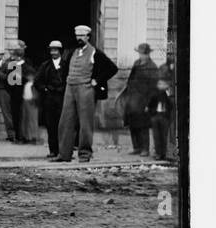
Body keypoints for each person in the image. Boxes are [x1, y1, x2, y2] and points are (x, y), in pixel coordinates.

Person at [56, 24, 118, 163]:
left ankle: (84, 154)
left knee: (85, 123)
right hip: (70, 88)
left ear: (88, 37)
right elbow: (64, 68)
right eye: (77, 35)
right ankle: (64, 154)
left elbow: (112, 68)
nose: (79, 38)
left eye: (82, 36)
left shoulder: (95, 52)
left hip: (86, 89)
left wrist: (97, 80)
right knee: (65, 121)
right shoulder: (71, 51)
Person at [121, 43, 160, 156]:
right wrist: (127, 94)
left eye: (143, 54)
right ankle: (136, 147)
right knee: (132, 123)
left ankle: (145, 149)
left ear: (148, 54)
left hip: (144, 100)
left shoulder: (152, 67)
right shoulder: (136, 63)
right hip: (132, 98)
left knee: (143, 125)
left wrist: (149, 103)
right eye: (140, 53)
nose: (141, 56)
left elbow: (154, 88)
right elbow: (130, 79)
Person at [32, 41, 69, 159]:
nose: (53, 52)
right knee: (51, 125)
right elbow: (37, 81)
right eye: (51, 50)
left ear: (60, 51)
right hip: (49, 99)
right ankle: (53, 150)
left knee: (63, 125)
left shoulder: (66, 65)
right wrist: (46, 89)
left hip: (63, 98)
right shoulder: (45, 65)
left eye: (56, 50)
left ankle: (63, 150)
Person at [148, 76, 174, 161]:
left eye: (163, 84)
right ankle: (158, 153)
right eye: (159, 84)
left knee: (164, 136)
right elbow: (149, 105)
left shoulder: (168, 94)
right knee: (156, 136)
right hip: (156, 115)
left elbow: (171, 104)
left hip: (164, 116)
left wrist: (167, 115)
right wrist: (152, 114)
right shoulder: (154, 94)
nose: (161, 85)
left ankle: (164, 153)